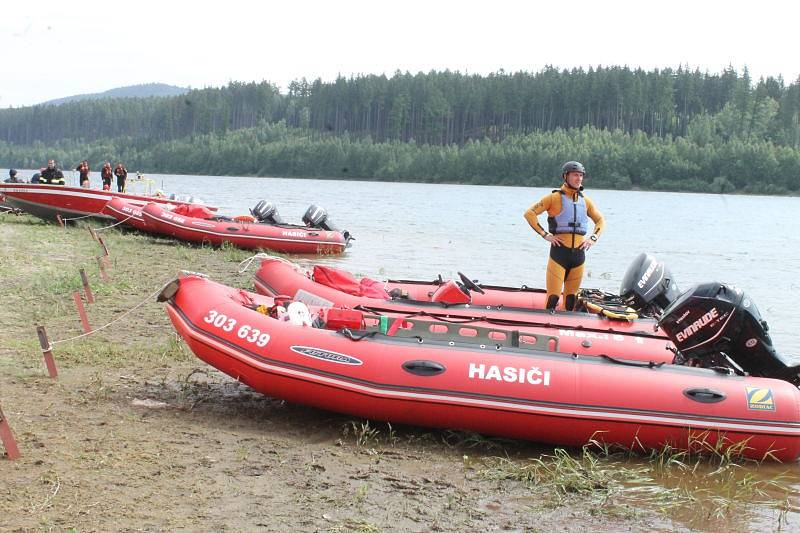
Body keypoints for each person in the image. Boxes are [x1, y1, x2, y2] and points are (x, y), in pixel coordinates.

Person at [523, 161, 605, 311]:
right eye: (575, 175)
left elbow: (600, 220)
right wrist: (545, 234)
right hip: (559, 254)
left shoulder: (585, 201)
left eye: (581, 176)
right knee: (553, 298)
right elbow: (530, 214)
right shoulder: (554, 198)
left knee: (570, 299)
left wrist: (593, 238)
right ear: (565, 176)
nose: (579, 178)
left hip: (579, 256)